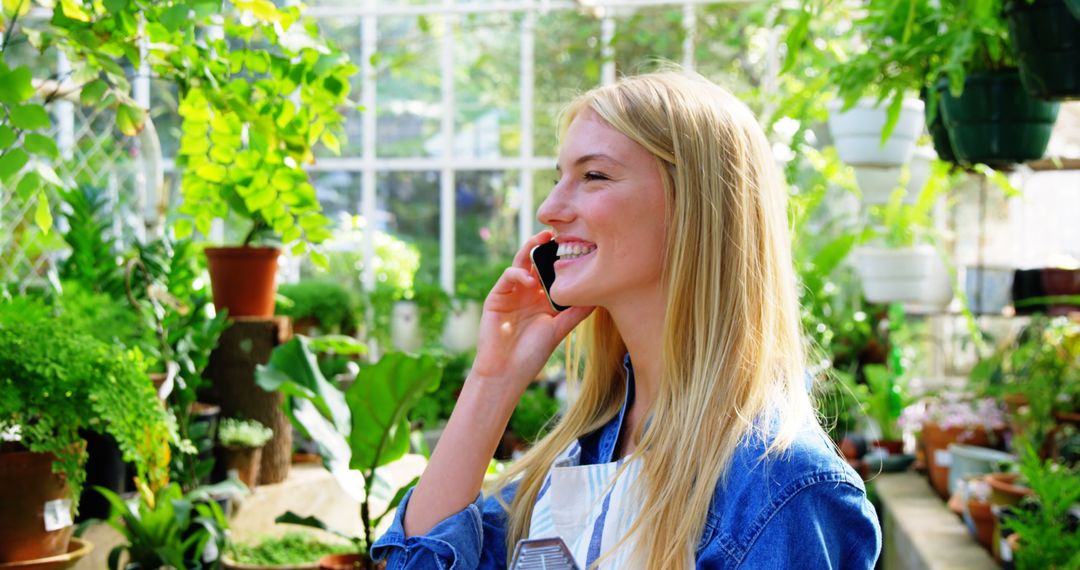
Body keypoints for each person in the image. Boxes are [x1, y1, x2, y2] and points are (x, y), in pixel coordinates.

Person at [371, 70, 881, 569]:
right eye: (558, 178)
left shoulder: (784, 489)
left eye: (593, 176)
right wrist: (494, 379)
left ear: (695, 207)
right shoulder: (583, 450)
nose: (550, 208)